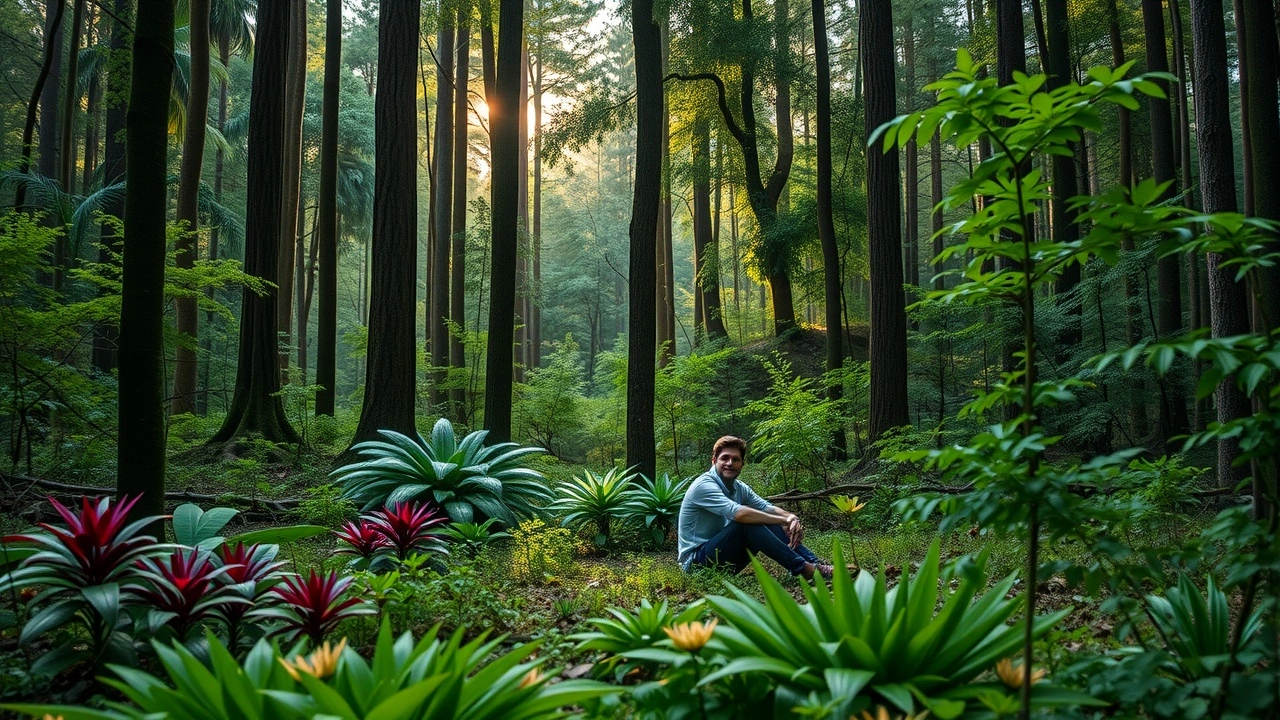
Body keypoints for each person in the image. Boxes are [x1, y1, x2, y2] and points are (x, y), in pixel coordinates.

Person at [677, 435, 835, 580]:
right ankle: (804, 569)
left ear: (742, 464)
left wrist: (791, 517)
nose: (730, 463)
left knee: (760, 518)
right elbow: (739, 514)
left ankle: (814, 564)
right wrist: (781, 520)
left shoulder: (739, 487)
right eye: (724, 458)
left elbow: (766, 507)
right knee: (746, 523)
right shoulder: (704, 485)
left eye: (735, 459)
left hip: (724, 560)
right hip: (696, 564)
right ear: (714, 461)